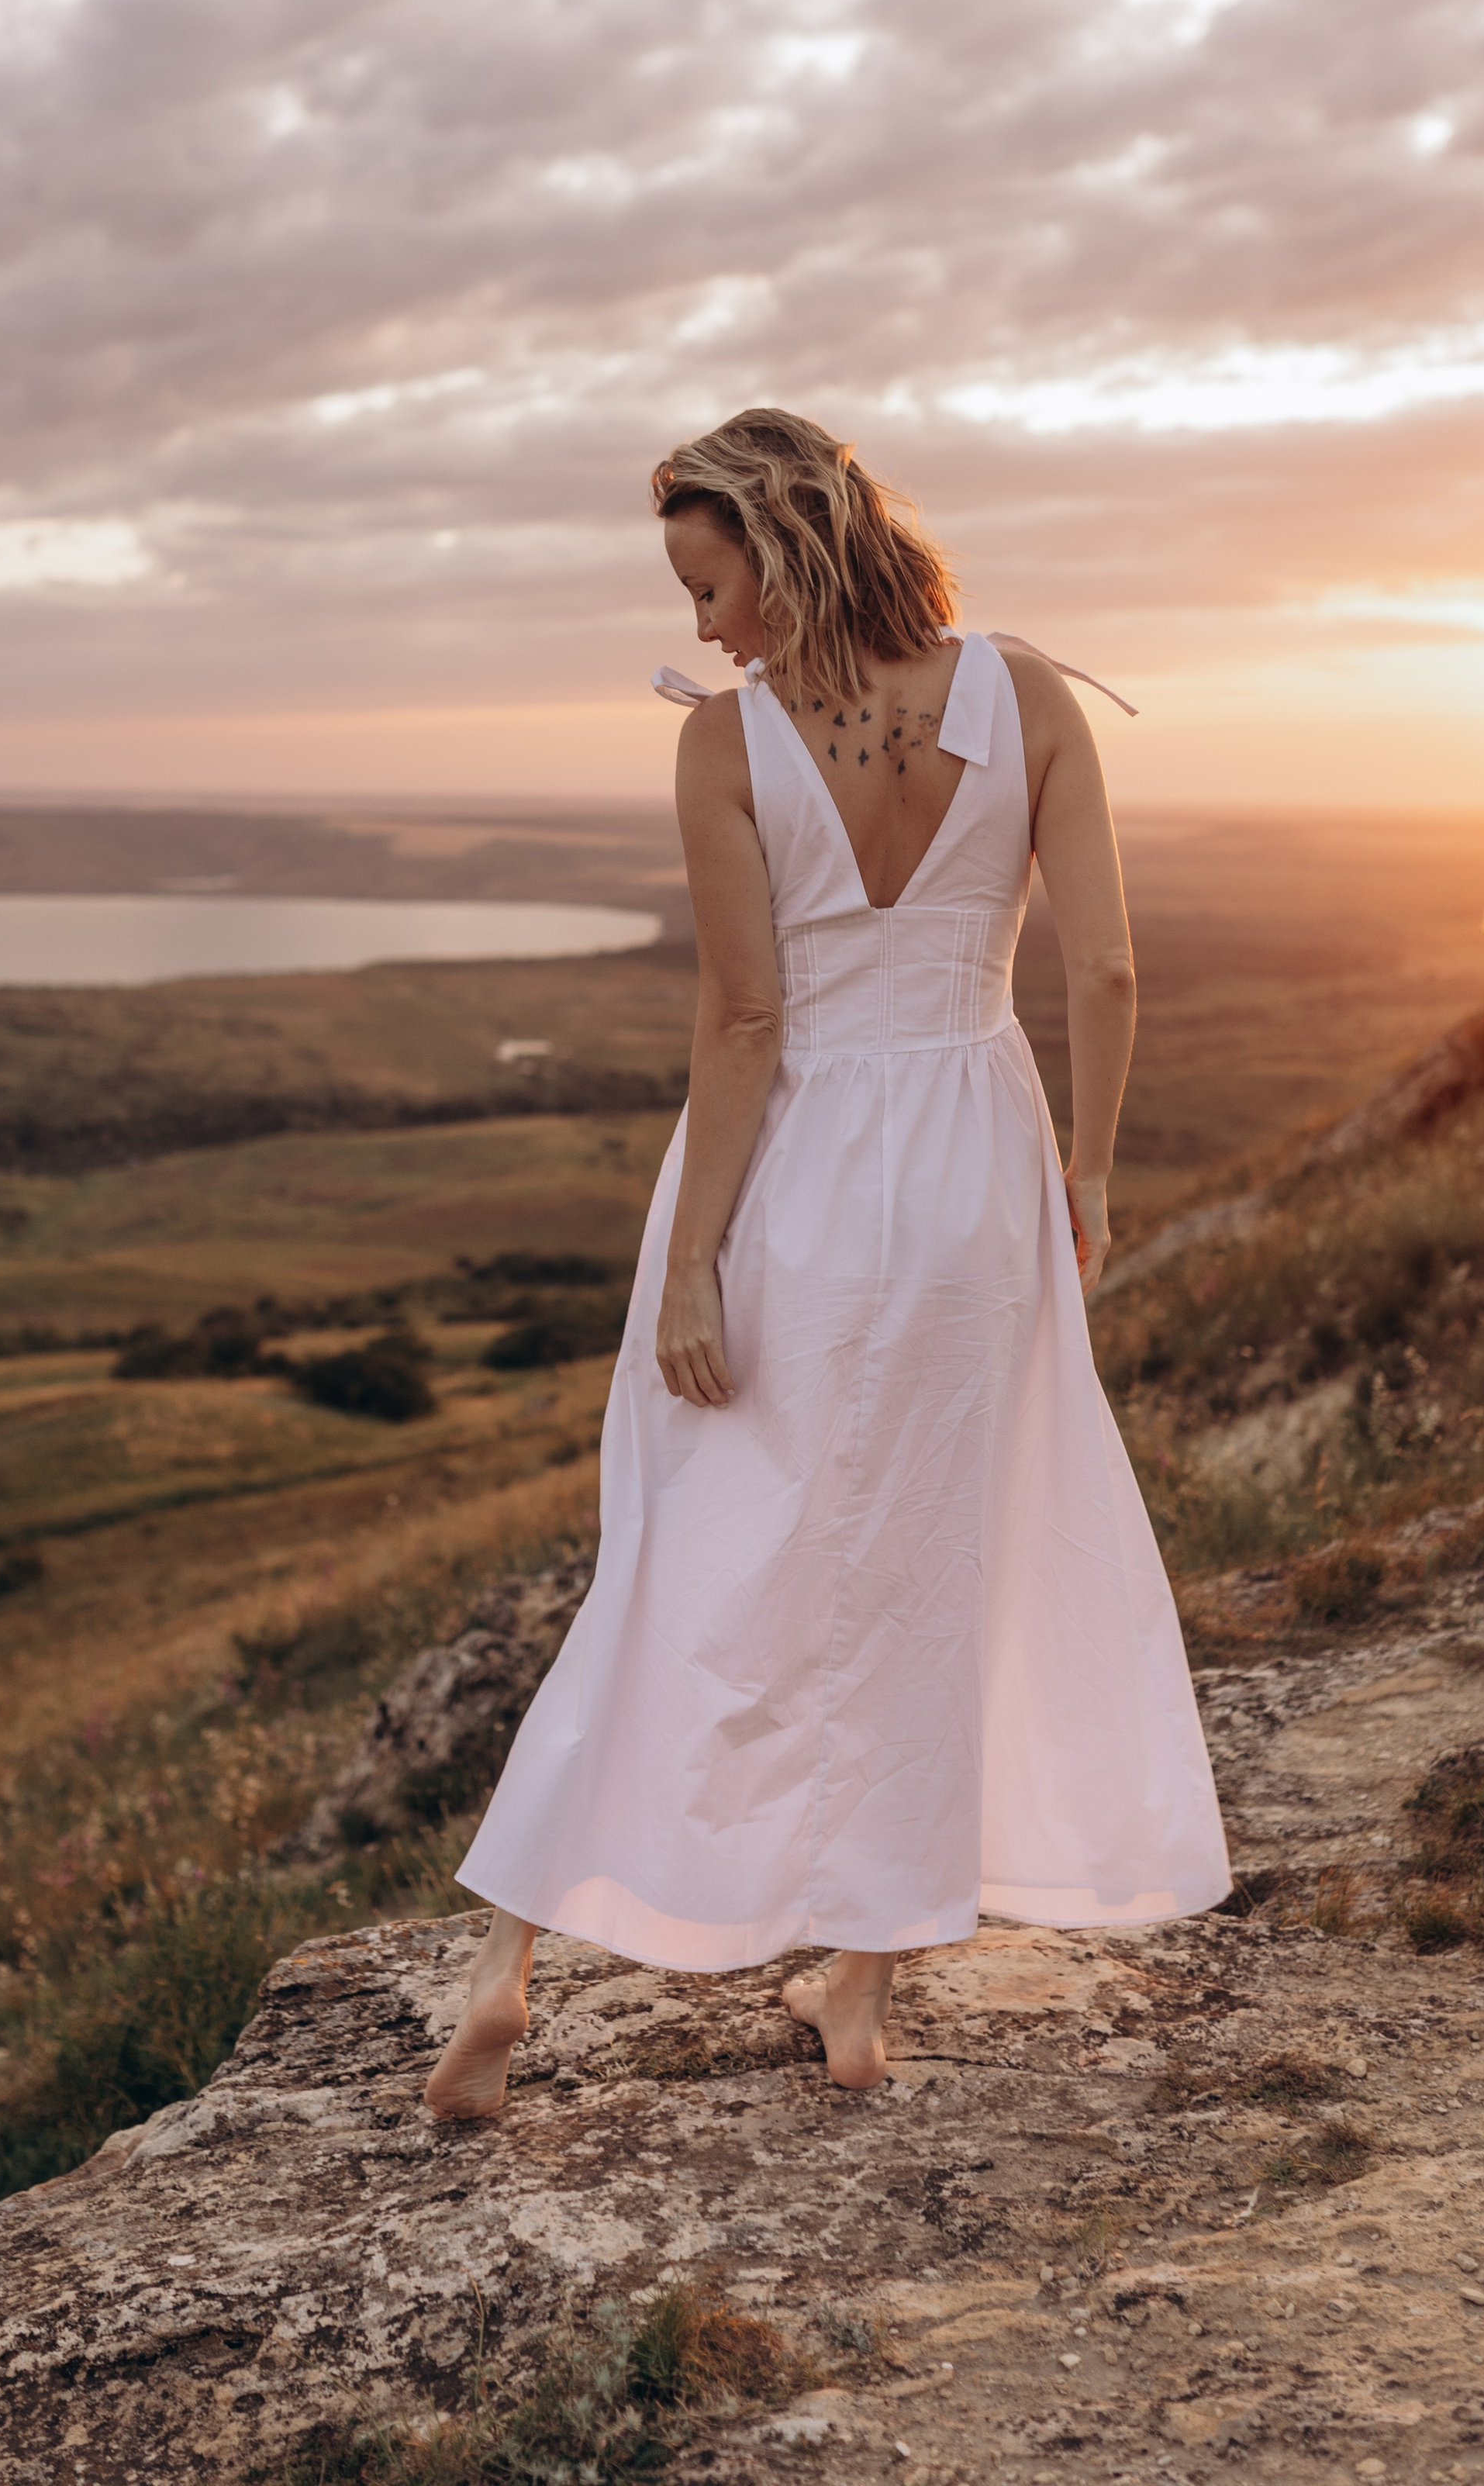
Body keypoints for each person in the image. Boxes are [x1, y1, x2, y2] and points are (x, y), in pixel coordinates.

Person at [425, 409, 1228, 2118]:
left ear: (784, 555)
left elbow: (743, 1021)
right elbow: (1104, 974)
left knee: (679, 1556)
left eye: (708, 587)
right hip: (972, 1172)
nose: (702, 627)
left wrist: (692, 1264)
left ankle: (503, 1967)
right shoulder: (1029, 695)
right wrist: (1085, 1172)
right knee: (928, 1563)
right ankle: (857, 1991)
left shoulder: (727, 745)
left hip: (787, 1176)